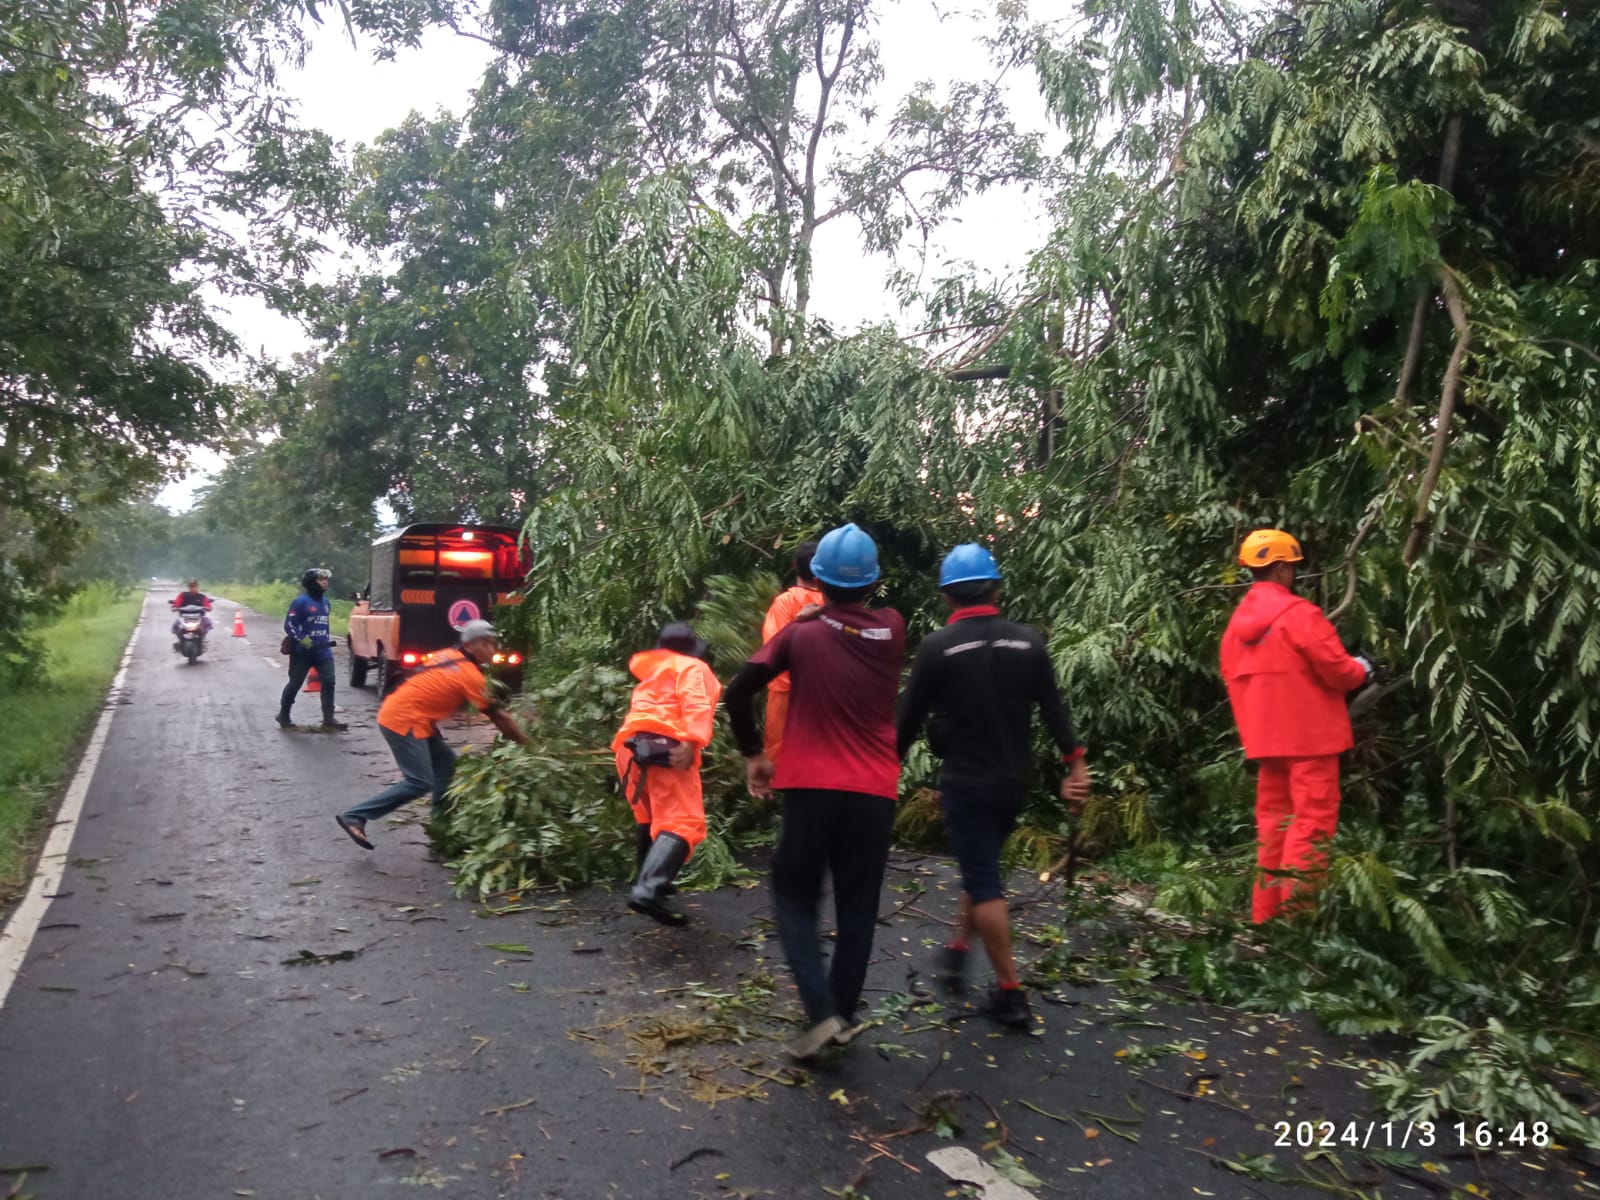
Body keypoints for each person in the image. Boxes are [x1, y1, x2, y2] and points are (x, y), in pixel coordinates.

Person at [723, 522, 905, 1061]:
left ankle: (821, 1012)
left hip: (810, 784)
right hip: (874, 788)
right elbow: (859, 626)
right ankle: (843, 1015)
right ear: (872, 584)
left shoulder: (802, 634)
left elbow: (738, 691)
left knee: (793, 895)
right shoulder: (893, 627)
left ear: (816, 583)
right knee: (858, 904)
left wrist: (755, 754)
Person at [896, 544, 1091, 1030]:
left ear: (946, 597)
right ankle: (959, 950)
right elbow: (1054, 711)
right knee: (979, 865)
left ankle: (1011, 994)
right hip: (1012, 783)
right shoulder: (1029, 643)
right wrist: (1076, 768)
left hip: (966, 783)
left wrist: (883, 774)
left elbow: (905, 724)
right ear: (997, 589)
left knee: (984, 880)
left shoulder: (938, 647)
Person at [1220, 529, 1372, 923]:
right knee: (1311, 827)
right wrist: (1365, 668)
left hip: (1266, 745)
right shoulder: (1299, 616)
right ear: (1284, 569)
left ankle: (1265, 920)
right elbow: (1339, 672)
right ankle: (1299, 923)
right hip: (1311, 741)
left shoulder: (1236, 629)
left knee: (1274, 829)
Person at [335, 620, 531, 850]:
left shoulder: (448, 655)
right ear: (472, 644)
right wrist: (529, 747)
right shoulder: (470, 675)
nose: (493, 650)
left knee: (446, 764)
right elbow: (501, 718)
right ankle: (356, 816)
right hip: (403, 720)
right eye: (488, 644)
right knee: (420, 782)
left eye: (494, 644)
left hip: (413, 717)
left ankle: (441, 831)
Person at [613, 622, 722, 926]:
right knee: (684, 821)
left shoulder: (653, 674)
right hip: (667, 750)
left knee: (649, 816)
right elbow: (696, 704)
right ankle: (649, 889)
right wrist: (691, 742)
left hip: (630, 749)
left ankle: (650, 880)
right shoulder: (693, 667)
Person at [759, 541, 822, 763]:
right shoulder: (835, 602)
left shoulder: (785, 603)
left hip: (785, 697)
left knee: (785, 762)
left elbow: (773, 648)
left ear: (795, 566)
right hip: (826, 695)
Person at [279, 567, 345, 731]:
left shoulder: (326, 603)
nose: (325, 582)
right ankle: (284, 714)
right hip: (302, 653)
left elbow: (324, 626)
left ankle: (328, 719)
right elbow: (290, 625)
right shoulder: (300, 602)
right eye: (321, 579)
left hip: (323, 652)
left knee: (329, 682)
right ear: (311, 583)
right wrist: (302, 640)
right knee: (295, 683)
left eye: (326, 579)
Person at [170, 579, 213, 645]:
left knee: (208, 622)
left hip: (198, 617)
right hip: (184, 617)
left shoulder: (202, 597)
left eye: (194, 586)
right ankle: (180, 640)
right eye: (191, 586)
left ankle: (202, 639)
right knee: (175, 625)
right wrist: (175, 607)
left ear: (197, 587)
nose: (192, 588)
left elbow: (208, 605)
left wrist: (207, 608)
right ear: (189, 587)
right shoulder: (182, 595)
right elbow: (177, 603)